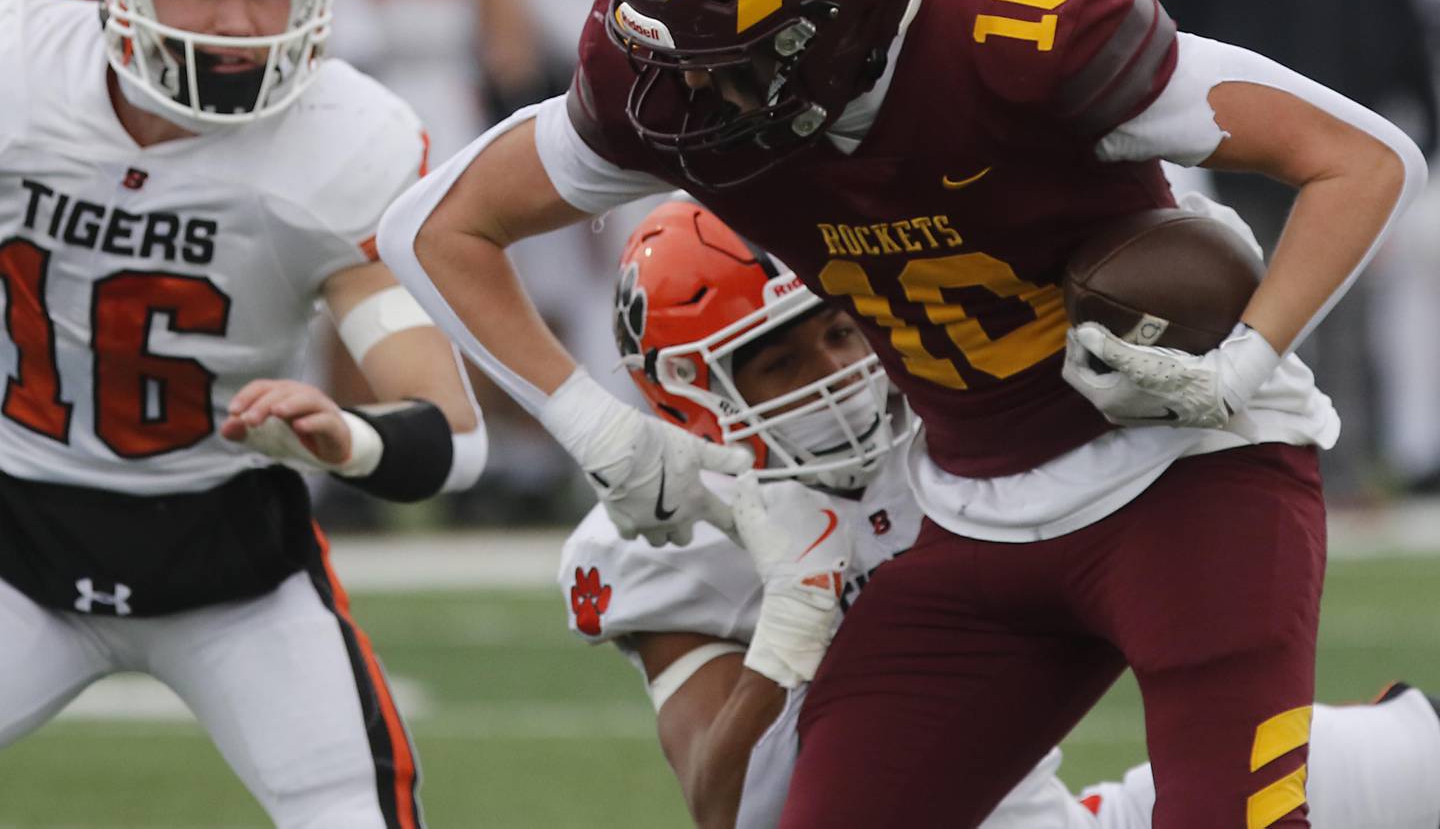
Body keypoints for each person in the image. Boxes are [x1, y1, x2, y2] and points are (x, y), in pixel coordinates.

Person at [379, 0, 1425, 826]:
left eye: (729, 60)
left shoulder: (1021, 30)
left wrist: (1245, 358)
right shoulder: (674, 86)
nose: (686, 91)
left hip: (1184, 477)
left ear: (831, 26)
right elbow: (436, 227)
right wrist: (595, 427)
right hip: (970, 510)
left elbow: (1360, 156)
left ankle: (1395, 768)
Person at [560, 196, 1440, 829]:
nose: (832, 375)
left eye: (839, 333)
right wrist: (795, 612)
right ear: (689, 393)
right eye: (779, 363)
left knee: (1404, 761)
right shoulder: (670, 539)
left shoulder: (959, 435)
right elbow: (731, 810)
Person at [0, 0, 488, 828]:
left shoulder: (344, 140)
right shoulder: (16, 72)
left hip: (231, 567)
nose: (232, 21)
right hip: (13, 538)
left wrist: (345, 436)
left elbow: (452, 434)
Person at [1146, 0, 1439, 496]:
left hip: (1353, 139)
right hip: (1250, 139)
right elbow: (1165, 3)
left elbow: (1395, 5)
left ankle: (1344, 472)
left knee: (1348, 309)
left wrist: (1421, 113)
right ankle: (1265, 474)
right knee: (1258, 298)